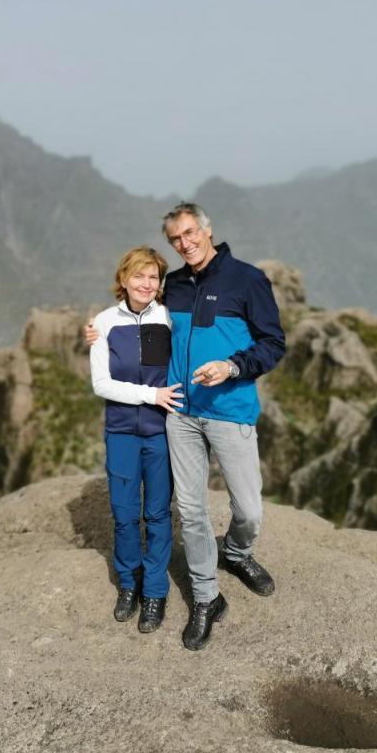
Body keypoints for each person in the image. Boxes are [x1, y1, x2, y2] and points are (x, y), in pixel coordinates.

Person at [160, 202, 286, 651]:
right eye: (176, 239)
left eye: (191, 233)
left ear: (208, 230)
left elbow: (273, 344)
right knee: (191, 511)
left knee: (249, 510)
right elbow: (143, 325)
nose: (185, 243)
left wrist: (232, 367)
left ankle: (235, 553)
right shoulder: (171, 286)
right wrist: (101, 331)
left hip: (230, 412)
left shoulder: (247, 280)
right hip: (181, 414)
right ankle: (206, 598)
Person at [89, 246, 183, 633]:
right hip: (122, 432)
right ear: (124, 279)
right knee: (125, 515)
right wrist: (151, 395)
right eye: (139, 276)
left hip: (162, 433)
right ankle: (129, 584)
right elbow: (101, 384)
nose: (147, 284)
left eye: (154, 277)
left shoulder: (169, 318)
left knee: (159, 514)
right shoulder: (104, 322)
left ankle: (156, 592)